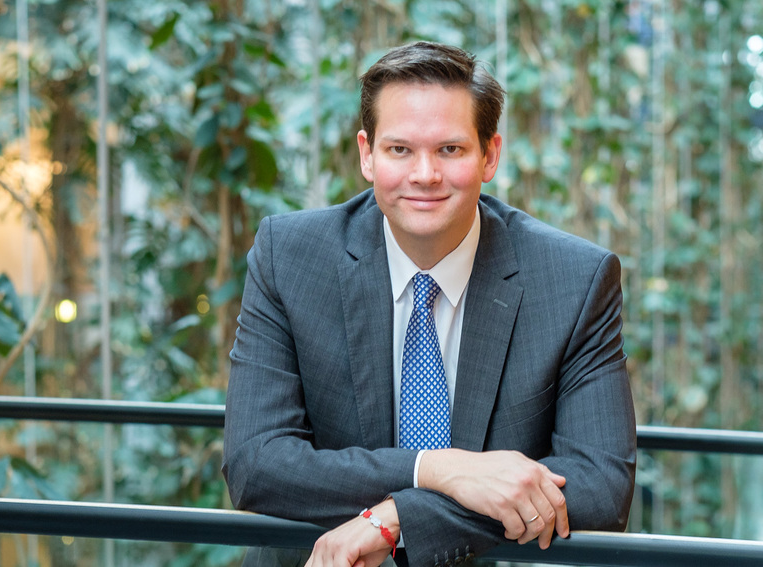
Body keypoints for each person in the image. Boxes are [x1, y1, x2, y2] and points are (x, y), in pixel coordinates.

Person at [222, 41, 636, 567]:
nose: (424, 174)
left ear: (489, 155)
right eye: (399, 149)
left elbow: (600, 486)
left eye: (450, 150)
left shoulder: (573, 280)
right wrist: (437, 470)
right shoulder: (291, 257)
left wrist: (400, 516)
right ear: (367, 154)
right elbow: (256, 463)